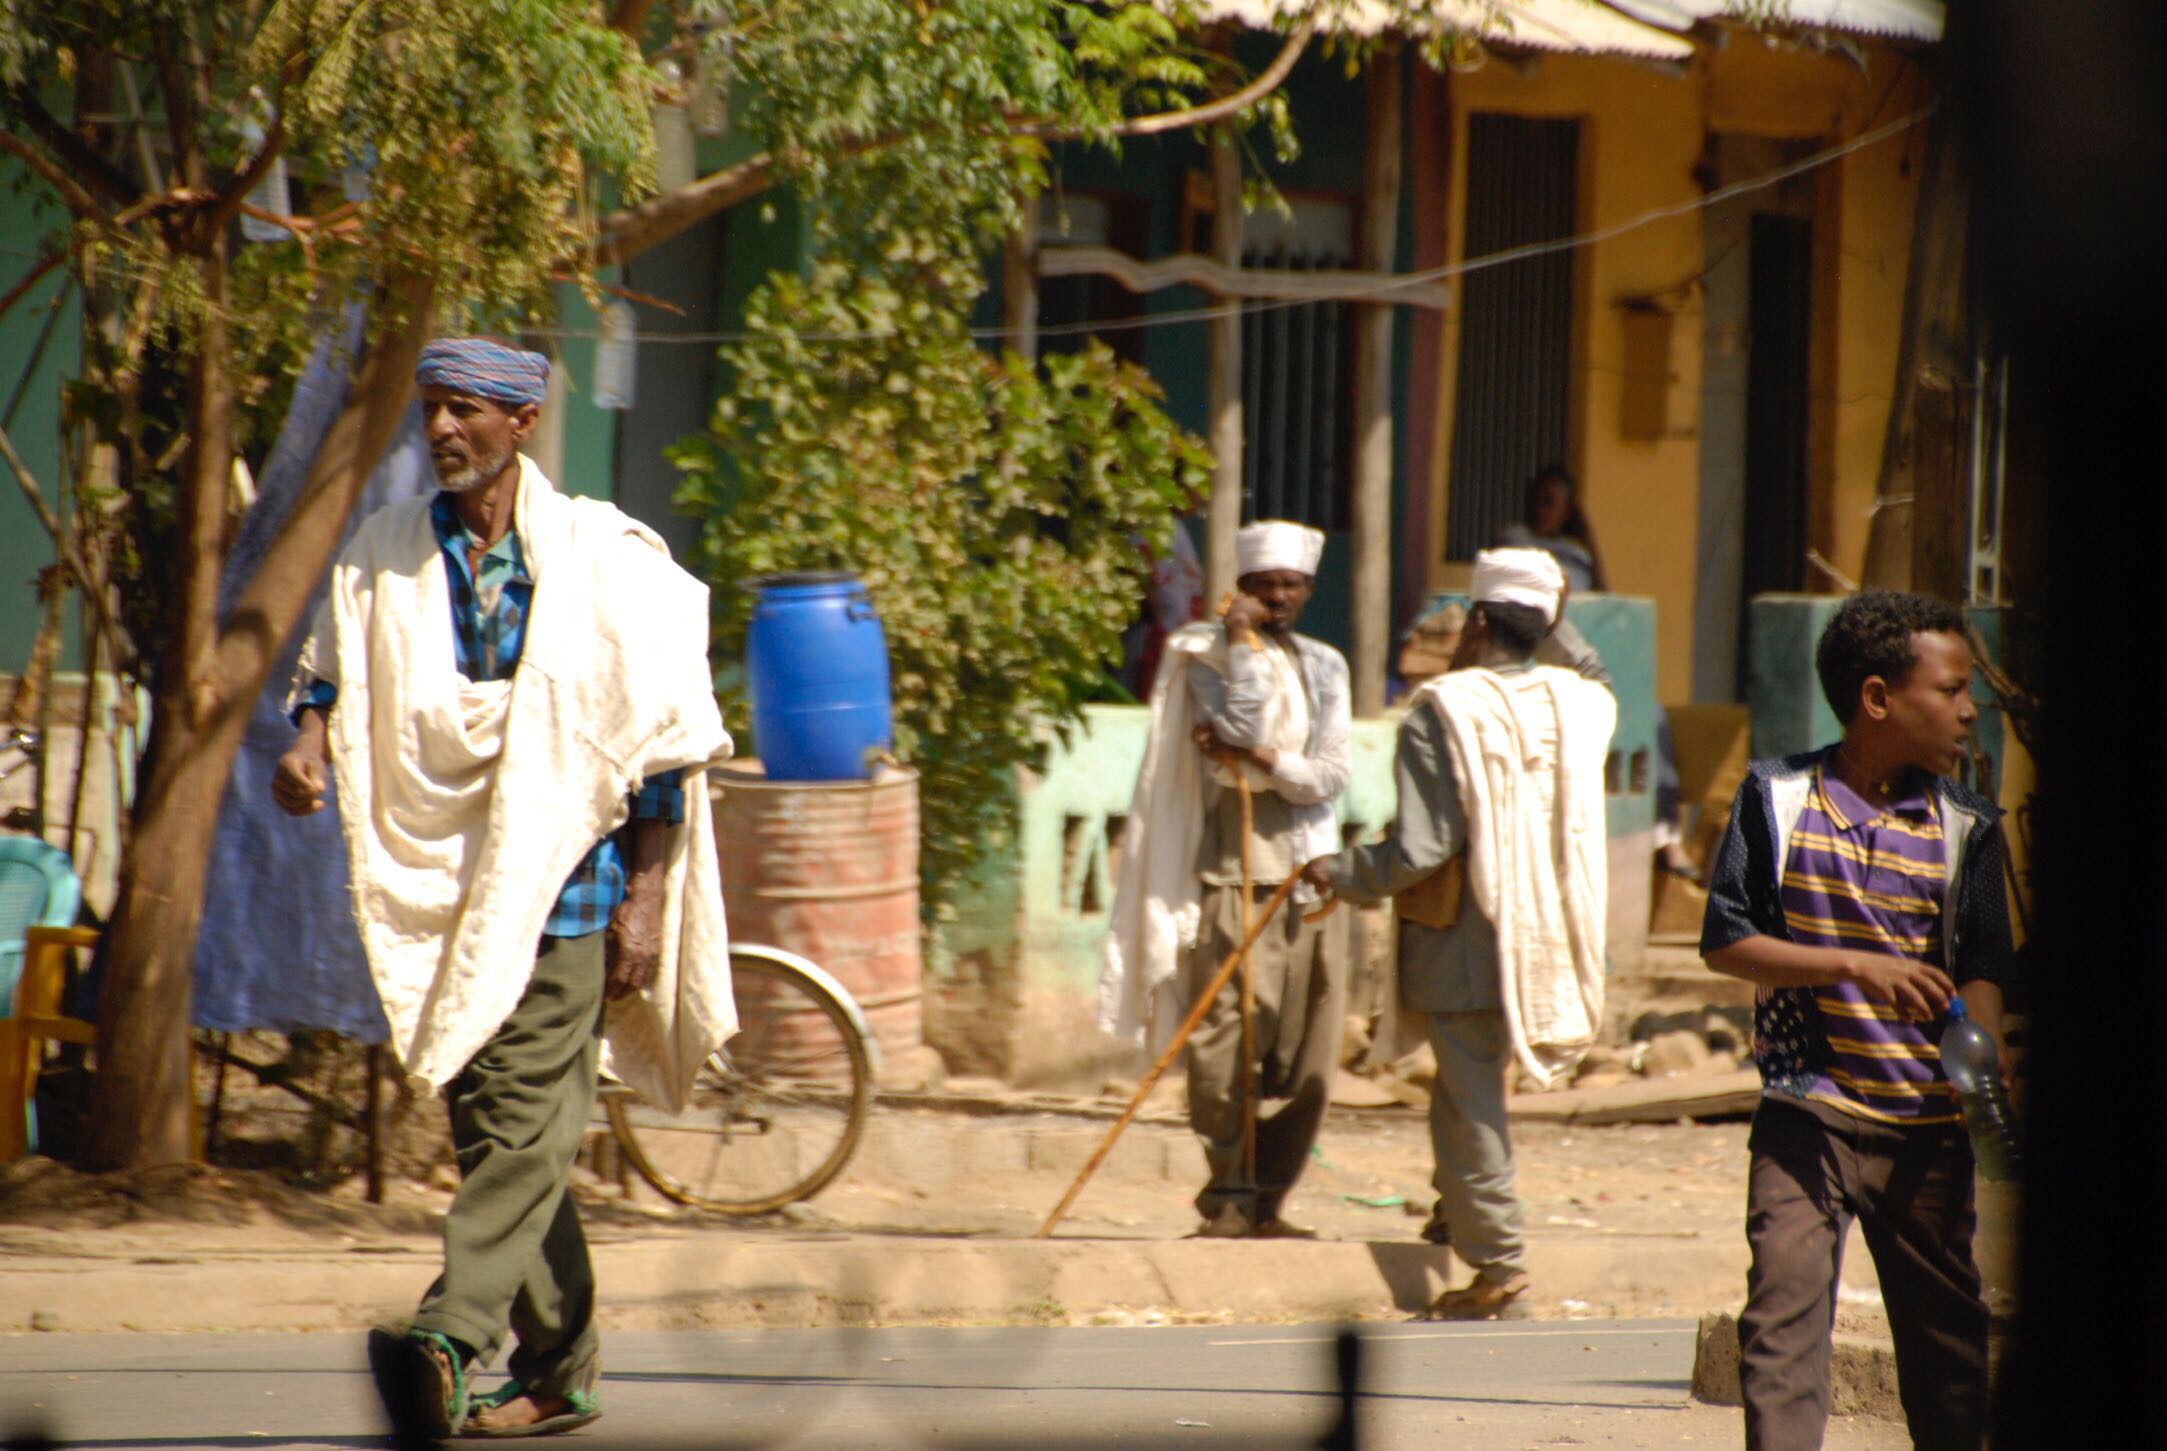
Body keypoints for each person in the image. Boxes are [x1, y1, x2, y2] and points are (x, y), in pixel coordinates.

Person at [274, 337, 734, 1440]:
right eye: (431, 407)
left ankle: (445, 1337)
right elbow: (333, 668)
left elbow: (658, 739)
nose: (440, 428)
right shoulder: (387, 550)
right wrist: (307, 743)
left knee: (523, 1125)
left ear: (521, 422)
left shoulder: (603, 558)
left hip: (573, 883)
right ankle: (562, 1365)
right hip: (448, 881)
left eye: (464, 409)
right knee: (500, 1133)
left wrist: (647, 897)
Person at [1699, 589, 2013, 1451]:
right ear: (1877, 697)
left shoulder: (1967, 825)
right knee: (1781, 1320)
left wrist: (1982, 1049)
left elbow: (1984, 960)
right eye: (1948, 689)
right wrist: (1852, 964)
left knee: (1946, 1347)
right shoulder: (1774, 798)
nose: (1967, 709)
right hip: (1808, 1110)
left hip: (1927, 1126)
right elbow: (1727, 940)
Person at [1303, 548, 1614, 1318]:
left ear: (1476, 620)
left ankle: (1500, 1266)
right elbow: (1596, 673)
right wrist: (1552, 617)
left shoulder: (1440, 712)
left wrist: (1338, 871)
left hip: (1467, 943)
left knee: (1468, 1102)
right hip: (1547, 937)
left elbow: (1420, 849)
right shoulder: (1577, 704)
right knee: (1464, 1090)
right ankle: (1457, 1212)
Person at [1098, 519, 1353, 1239]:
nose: (1278, 597)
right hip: (1237, 871)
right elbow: (1235, 731)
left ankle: (1270, 1199)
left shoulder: (1327, 664)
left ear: (1307, 589)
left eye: (1291, 585)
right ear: (1240, 589)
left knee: (1307, 1054)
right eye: (1264, 586)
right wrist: (1241, 644)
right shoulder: (1205, 655)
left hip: (1312, 872)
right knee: (1227, 1040)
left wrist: (1268, 761)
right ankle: (1229, 1191)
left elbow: (1329, 773)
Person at [1501, 465, 1698, 884]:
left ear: (1568, 509)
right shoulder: (1516, 541)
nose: (1542, 510)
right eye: (1538, 500)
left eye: (1552, 503)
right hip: (1537, 665)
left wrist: (1588, 536)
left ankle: (1667, 837)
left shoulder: (1578, 554)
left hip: (1583, 667)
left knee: (1652, 718)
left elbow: (1606, 602)